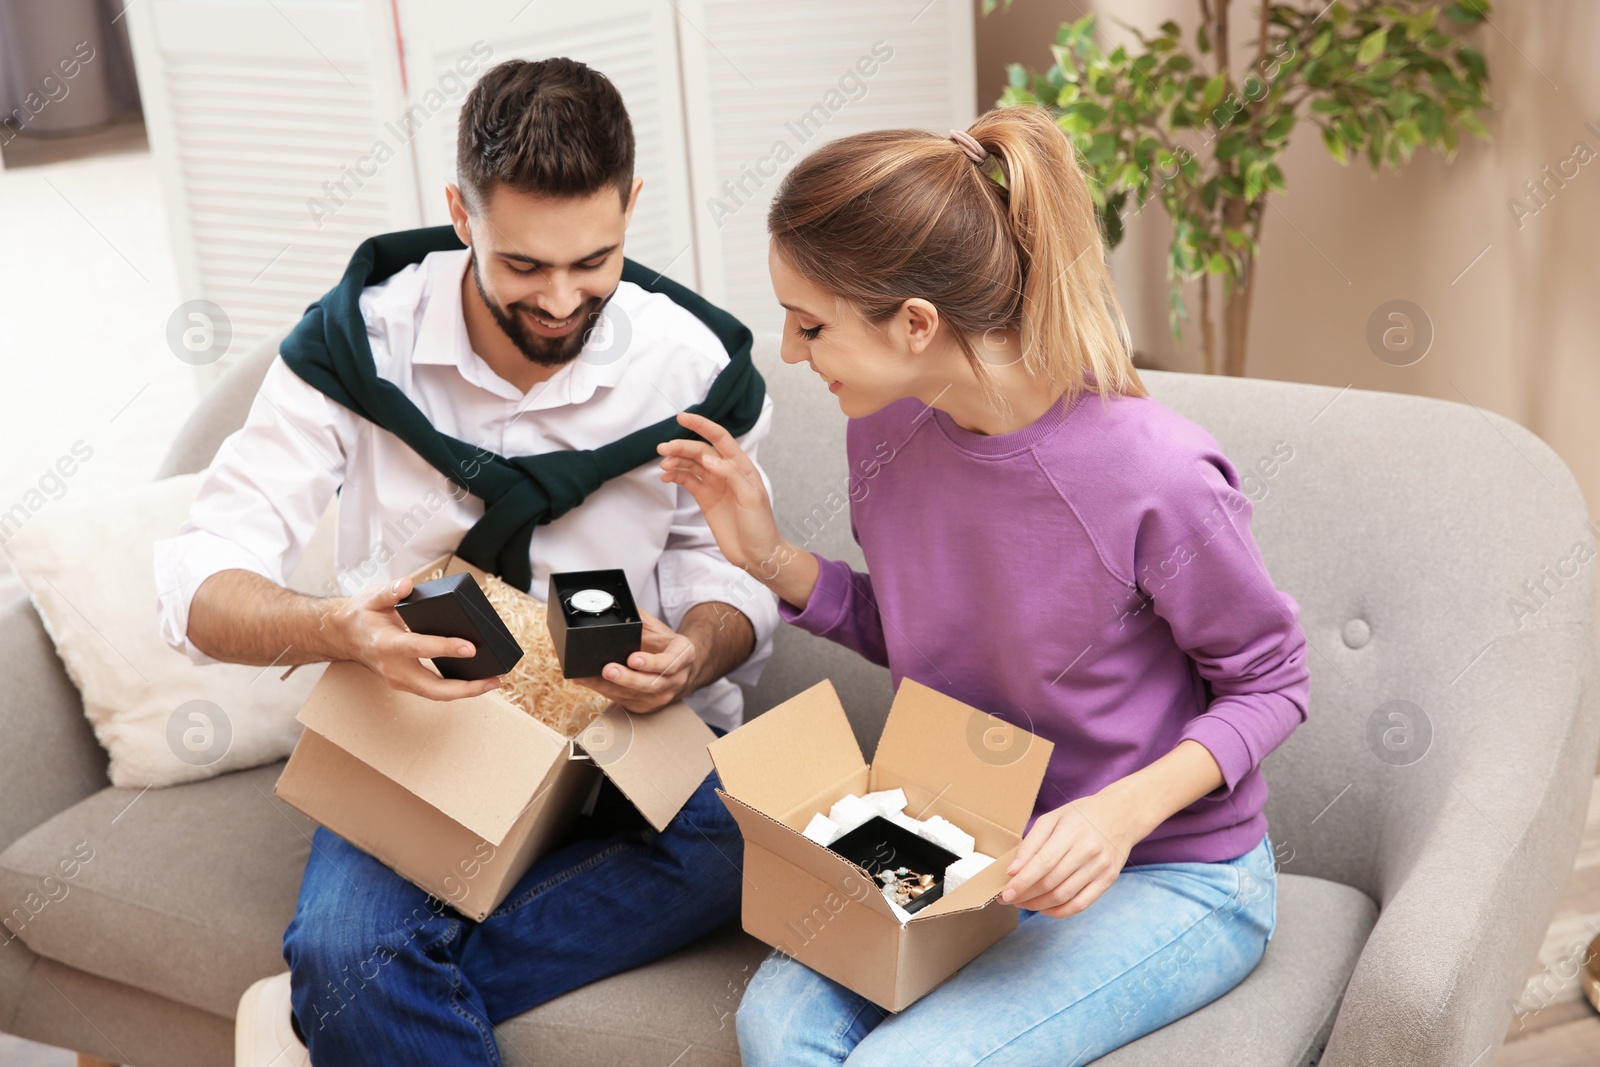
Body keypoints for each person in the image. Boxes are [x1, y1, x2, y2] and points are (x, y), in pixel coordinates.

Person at [152, 57, 778, 1066]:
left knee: (756, 848)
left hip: (626, 724)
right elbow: (201, 571)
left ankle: (330, 1013)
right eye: (523, 265)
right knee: (345, 945)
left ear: (632, 205)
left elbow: (733, 567)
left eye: (596, 258)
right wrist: (335, 628)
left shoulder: (695, 366)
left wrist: (697, 649)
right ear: (459, 212)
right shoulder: (356, 347)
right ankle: (348, 989)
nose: (564, 298)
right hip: (430, 721)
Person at [655, 106, 1309, 1065]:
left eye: (809, 325)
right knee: (774, 1030)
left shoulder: (1153, 475)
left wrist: (1117, 814)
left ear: (916, 323)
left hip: (1170, 868)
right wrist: (767, 556)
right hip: (969, 839)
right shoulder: (886, 425)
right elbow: (932, 629)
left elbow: (1275, 681)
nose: (791, 354)